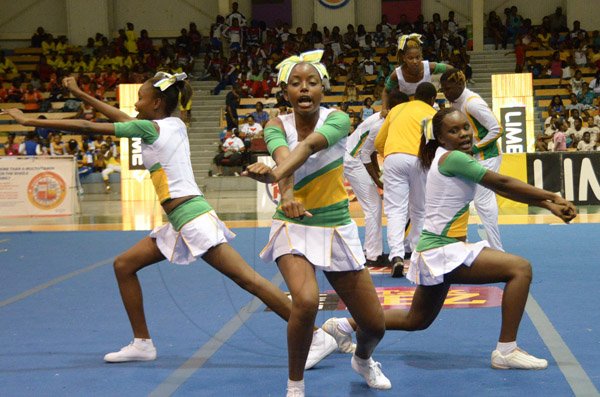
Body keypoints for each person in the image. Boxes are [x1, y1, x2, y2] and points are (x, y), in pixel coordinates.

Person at [1, 72, 334, 369]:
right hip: (180, 221)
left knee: (250, 281)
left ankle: (316, 335)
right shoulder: (170, 124)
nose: (135, 102)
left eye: (141, 97)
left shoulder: (150, 128)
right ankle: (142, 344)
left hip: (193, 219)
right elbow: (117, 115)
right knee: (124, 265)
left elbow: (90, 127)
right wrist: (78, 93)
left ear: (156, 102)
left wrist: (31, 122)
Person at [323, 107, 577, 371]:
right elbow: (502, 182)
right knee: (520, 269)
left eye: (465, 127)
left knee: (416, 320)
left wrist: (548, 205)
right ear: (441, 138)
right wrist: (552, 197)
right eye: (453, 131)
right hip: (443, 250)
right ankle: (506, 350)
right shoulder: (454, 158)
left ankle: (343, 325)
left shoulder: (446, 156)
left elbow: (501, 186)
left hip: (436, 250)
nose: (464, 134)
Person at [243, 50, 390, 397]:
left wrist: (275, 176)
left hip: (337, 227)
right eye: (296, 83)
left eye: (312, 82)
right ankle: (295, 385)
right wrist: (287, 195)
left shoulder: (337, 119)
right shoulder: (275, 125)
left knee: (374, 325)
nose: (304, 88)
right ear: (286, 92)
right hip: (292, 227)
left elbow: (307, 147)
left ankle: (363, 360)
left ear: (323, 89)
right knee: (306, 301)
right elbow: (284, 156)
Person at [375, 82, 438, 278]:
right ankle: (418, 254)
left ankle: (396, 256)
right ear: (432, 99)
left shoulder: (398, 109)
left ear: (415, 95)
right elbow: (432, 142)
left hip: (394, 158)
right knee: (420, 209)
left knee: (396, 210)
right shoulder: (432, 113)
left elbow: (378, 142)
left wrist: (391, 154)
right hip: (420, 159)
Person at [440, 69, 504, 251]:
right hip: (470, 157)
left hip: (487, 157)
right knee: (461, 196)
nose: (446, 93)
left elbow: (497, 129)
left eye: (448, 88)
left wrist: (475, 148)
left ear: (460, 85)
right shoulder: (454, 102)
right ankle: (460, 242)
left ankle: (497, 249)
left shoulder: (473, 103)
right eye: (443, 89)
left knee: (483, 202)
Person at [344, 89, 409, 268]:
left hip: (357, 157)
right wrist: (378, 180)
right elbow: (365, 154)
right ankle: (373, 255)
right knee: (373, 207)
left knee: (373, 207)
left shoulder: (387, 120)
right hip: (353, 159)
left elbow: (371, 150)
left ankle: (371, 250)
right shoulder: (381, 124)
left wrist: (378, 173)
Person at [382, 34, 449, 112]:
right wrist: (384, 108)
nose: (415, 61)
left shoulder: (430, 67)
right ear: (404, 58)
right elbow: (386, 91)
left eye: (417, 57)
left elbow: (450, 69)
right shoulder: (397, 74)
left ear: (421, 56)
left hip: (427, 108)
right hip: (407, 110)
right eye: (410, 58)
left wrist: (445, 85)